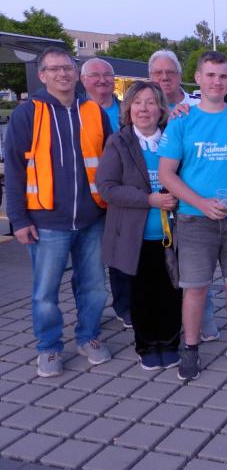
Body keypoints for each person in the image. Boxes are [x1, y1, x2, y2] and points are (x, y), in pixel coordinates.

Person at [3, 47, 113, 377]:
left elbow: (109, 164)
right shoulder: (28, 113)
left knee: (94, 287)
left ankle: (88, 336)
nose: (62, 74)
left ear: (77, 73)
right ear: (42, 75)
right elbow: (15, 169)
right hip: (46, 220)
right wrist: (19, 219)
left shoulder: (93, 111)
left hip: (92, 218)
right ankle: (49, 347)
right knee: (45, 293)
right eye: (54, 69)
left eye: (67, 68)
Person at [158, 51, 227, 381]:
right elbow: (166, 174)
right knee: (195, 288)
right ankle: (190, 348)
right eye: (211, 75)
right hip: (194, 218)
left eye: (223, 76)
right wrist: (201, 203)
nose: (217, 81)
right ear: (198, 79)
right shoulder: (182, 119)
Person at [97, 81, 182, 370]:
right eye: (137, 102)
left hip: (173, 235)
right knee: (142, 294)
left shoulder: (174, 137)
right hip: (135, 236)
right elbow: (107, 188)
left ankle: (170, 343)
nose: (143, 109)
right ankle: (146, 345)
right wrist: (148, 199)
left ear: (161, 108)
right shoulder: (118, 142)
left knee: (171, 292)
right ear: (128, 108)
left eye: (150, 102)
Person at [148, 49, 219, 343]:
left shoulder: (193, 106)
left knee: (197, 268)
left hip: (192, 200)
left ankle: (204, 319)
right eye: (158, 73)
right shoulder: (145, 105)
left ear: (181, 75)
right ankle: (167, 323)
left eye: (170, 72)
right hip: (156, 201)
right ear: (150, 76)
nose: (164, 77)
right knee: (162, 265)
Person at [80, 57, 131, 329]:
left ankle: (124, 306)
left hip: (123, 197)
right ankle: (89, 315)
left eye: (107, 75)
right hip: (88, 199)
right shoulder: (75, 111)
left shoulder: (128, 109)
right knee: (89, 263)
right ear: (83, 80)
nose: (102, 80)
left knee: (121, 258)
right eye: (95, 75)